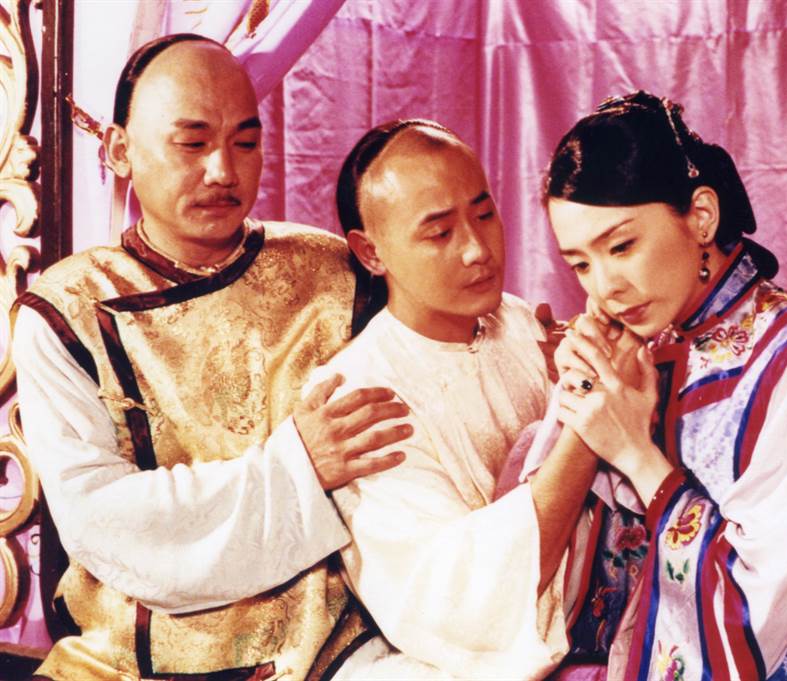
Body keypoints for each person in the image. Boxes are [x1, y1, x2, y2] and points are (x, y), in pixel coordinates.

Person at [12, 34, 412, 680]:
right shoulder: (67, 313)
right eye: (192, 144)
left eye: (245, 143)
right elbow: (105, 521)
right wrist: (300, 466)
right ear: (120, 150)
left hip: (337, 646)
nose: (223, 171)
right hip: (127, 658)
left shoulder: (335, 271)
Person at [542, 91, 787, 680]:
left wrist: (634, 452)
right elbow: (578, 569)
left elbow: (748, 620)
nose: (605, 287)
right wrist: (584, 389)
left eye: (622, 246)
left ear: (701, 216)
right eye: (581, 264)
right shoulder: (652, 348)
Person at [311, 119, 597, 679]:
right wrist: (587, 419)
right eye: (440, 233)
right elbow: (457, 600)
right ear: (371, 252)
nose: (477, 250)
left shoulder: (519, 322)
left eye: (484, 214)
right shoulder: (358, 398)